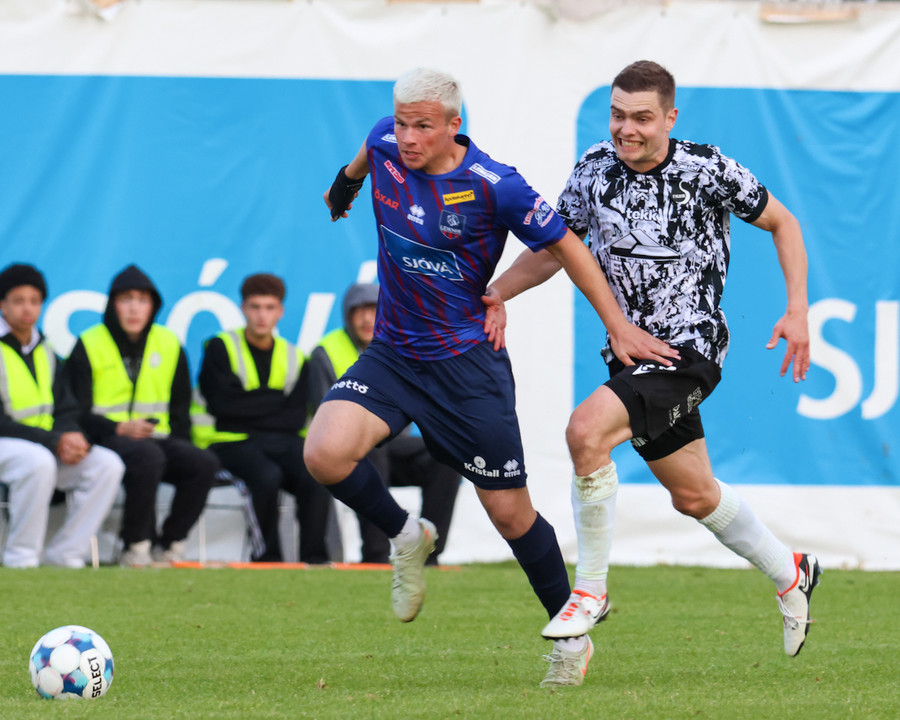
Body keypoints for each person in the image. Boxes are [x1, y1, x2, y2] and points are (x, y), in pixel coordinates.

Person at [307, 67, 674, 688]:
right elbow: (364, 156)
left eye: (423, 126)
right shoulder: (385, 141)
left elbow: (568, 248)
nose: (408, 137)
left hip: (467, 370)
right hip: (393, 355)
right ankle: (406, 535)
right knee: (323, 453)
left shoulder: (496, 185)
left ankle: (572, 637)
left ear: (455, 125)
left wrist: (617, 325)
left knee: (509, 515)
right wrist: (344, 187)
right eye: (402, 123)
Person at [488, 60, 820, 658]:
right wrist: (496, 294)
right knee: (694, 496)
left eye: (642, 117)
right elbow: (555, 249)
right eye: (618, 115)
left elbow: (783, 222)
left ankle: (589, 591)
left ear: (670, 118)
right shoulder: (592, 168)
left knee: (585, 432)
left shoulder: (706, 168)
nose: (627, 129)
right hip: (630, 357)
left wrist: (797, 310)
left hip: (689, 349)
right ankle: (791, 572)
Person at [64, 264, 218, 567]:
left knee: (203, 463)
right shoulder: (89, 343)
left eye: (143, 300)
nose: (134, 308)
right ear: (113, 304)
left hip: (157, 438)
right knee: (148, 458)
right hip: (105, 437)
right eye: (126, 299)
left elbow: (180, 409)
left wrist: (181, 445)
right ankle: (136, 546)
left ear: (153, 306)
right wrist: (118, 428)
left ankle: (170, 544)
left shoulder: (169, 343)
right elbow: (75, 411)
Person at [306, 282, 460, 565]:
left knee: (446, 454)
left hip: (390, 443)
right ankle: (376, 556)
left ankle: (428, 556)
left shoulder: (401, 349)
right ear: (347, 316)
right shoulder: (325, 353)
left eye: (374, 310)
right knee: (371, 451)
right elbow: (322, 417)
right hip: (345, 451)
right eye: (359, 312)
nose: (367, 319)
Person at [195, 272, 334, 563]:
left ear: (280, 311)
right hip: (230, 441)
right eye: (255, 307)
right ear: (243, 308)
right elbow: (223, 407)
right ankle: (268, 560)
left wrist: (247, 404)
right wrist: (274, 401)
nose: (262, 315)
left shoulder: (295, 356)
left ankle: (315, 559)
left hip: (281, 440)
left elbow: (295, 417)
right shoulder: (220, 347)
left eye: (269, 308)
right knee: (266, 476)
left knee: (317, 473)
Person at [0, 263, 123, 568]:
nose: (27, 308)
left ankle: (66, 554)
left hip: (40, 444)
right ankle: (21, 557)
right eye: (18, 300)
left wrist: (72, 435)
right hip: (15, 445)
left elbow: (66, 407)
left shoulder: (46, 350)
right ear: (2, 304)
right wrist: (54, 441)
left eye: (34, 301)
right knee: (37, 462)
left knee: (107, 464)